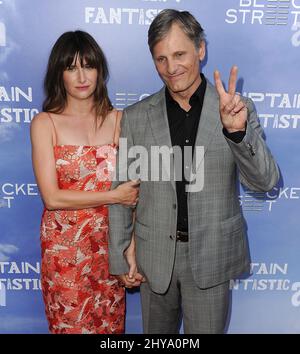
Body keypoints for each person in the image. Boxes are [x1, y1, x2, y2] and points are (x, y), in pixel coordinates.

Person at [108, 9, 279, 334]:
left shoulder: (235, 109)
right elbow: (122, 192)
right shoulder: (136, 117)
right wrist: (119, 255)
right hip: (153, 255)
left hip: (212, 256)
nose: (171, 69)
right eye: (160, 59)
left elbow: (264, 181)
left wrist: (237, 134)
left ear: (200, 49)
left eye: (179, 54)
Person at [30, 30, 139, 334]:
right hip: (65, 252)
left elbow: (134, 195)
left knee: (110, 328)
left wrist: (130, 250)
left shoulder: (119, 120)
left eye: (88, 66)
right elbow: (52, 198)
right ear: (59, 73)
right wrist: (115, 196)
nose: (81, 76)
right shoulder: (45, 123)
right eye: (71, 67)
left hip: (109, 247)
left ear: (99, 71)